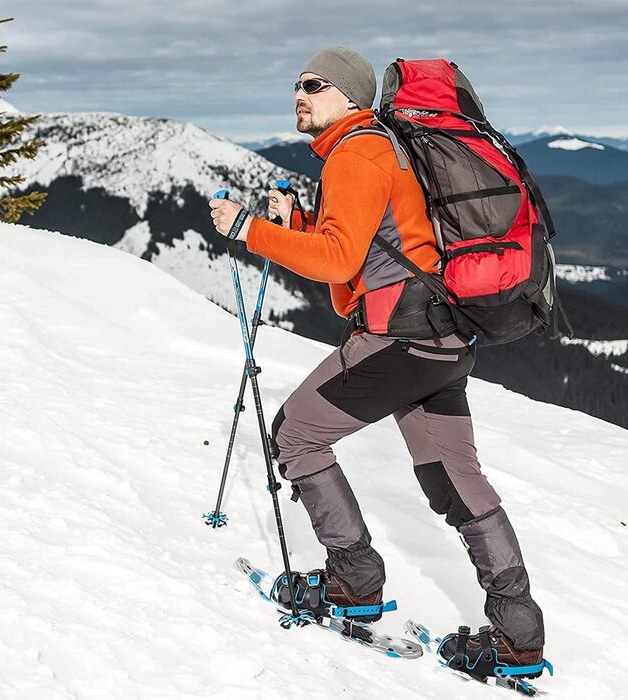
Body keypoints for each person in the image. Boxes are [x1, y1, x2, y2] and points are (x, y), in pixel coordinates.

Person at [209, 46, 545, 670]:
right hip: (444, 340)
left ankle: (353, 581)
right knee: (453, 477)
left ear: (349, 94)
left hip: (399, 339)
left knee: (295, 434)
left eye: (314, 83)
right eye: (297, 83)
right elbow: (374, 254)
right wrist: (304, 222)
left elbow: (339, 262)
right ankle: (517, 635)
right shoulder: (379, 149)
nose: (300, 94)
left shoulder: (358, 150)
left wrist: (247, 229)